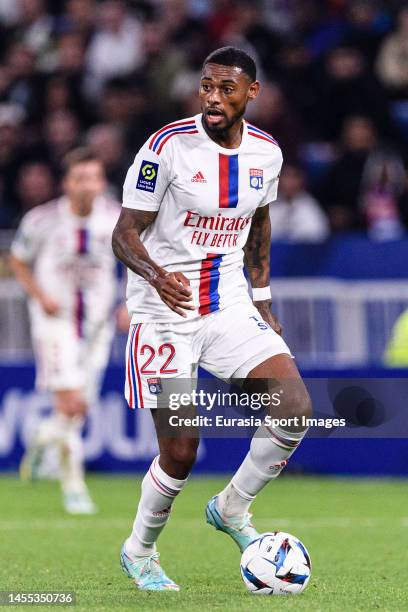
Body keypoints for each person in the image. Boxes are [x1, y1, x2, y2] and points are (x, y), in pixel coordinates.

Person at [112, 46, 312, 591]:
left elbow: (261, 222)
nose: (214, 98)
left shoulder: (266, 154)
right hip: (164, 314)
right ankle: (140, 550)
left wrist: (264, 297)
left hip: (226, 305)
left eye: (227, 88)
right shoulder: (167, 148)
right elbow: (124, 233)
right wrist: (155, 275)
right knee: (180, 449)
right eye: (206, 86)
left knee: (293, 407)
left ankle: (231, 508)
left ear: (252, 93)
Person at [10, 148, 124, 514]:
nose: (87, 185)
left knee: (79, 409)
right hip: (54, 323)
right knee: (71, 403)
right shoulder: (41, 220)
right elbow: (18, 259)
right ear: (66, 183)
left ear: (101, 181)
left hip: (98, 325)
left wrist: (129, 305)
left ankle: (42, 437)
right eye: (80, 178)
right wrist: (40, 295)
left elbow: (139, 262)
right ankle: (74, 487)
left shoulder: (116, 218)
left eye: (93, 177)